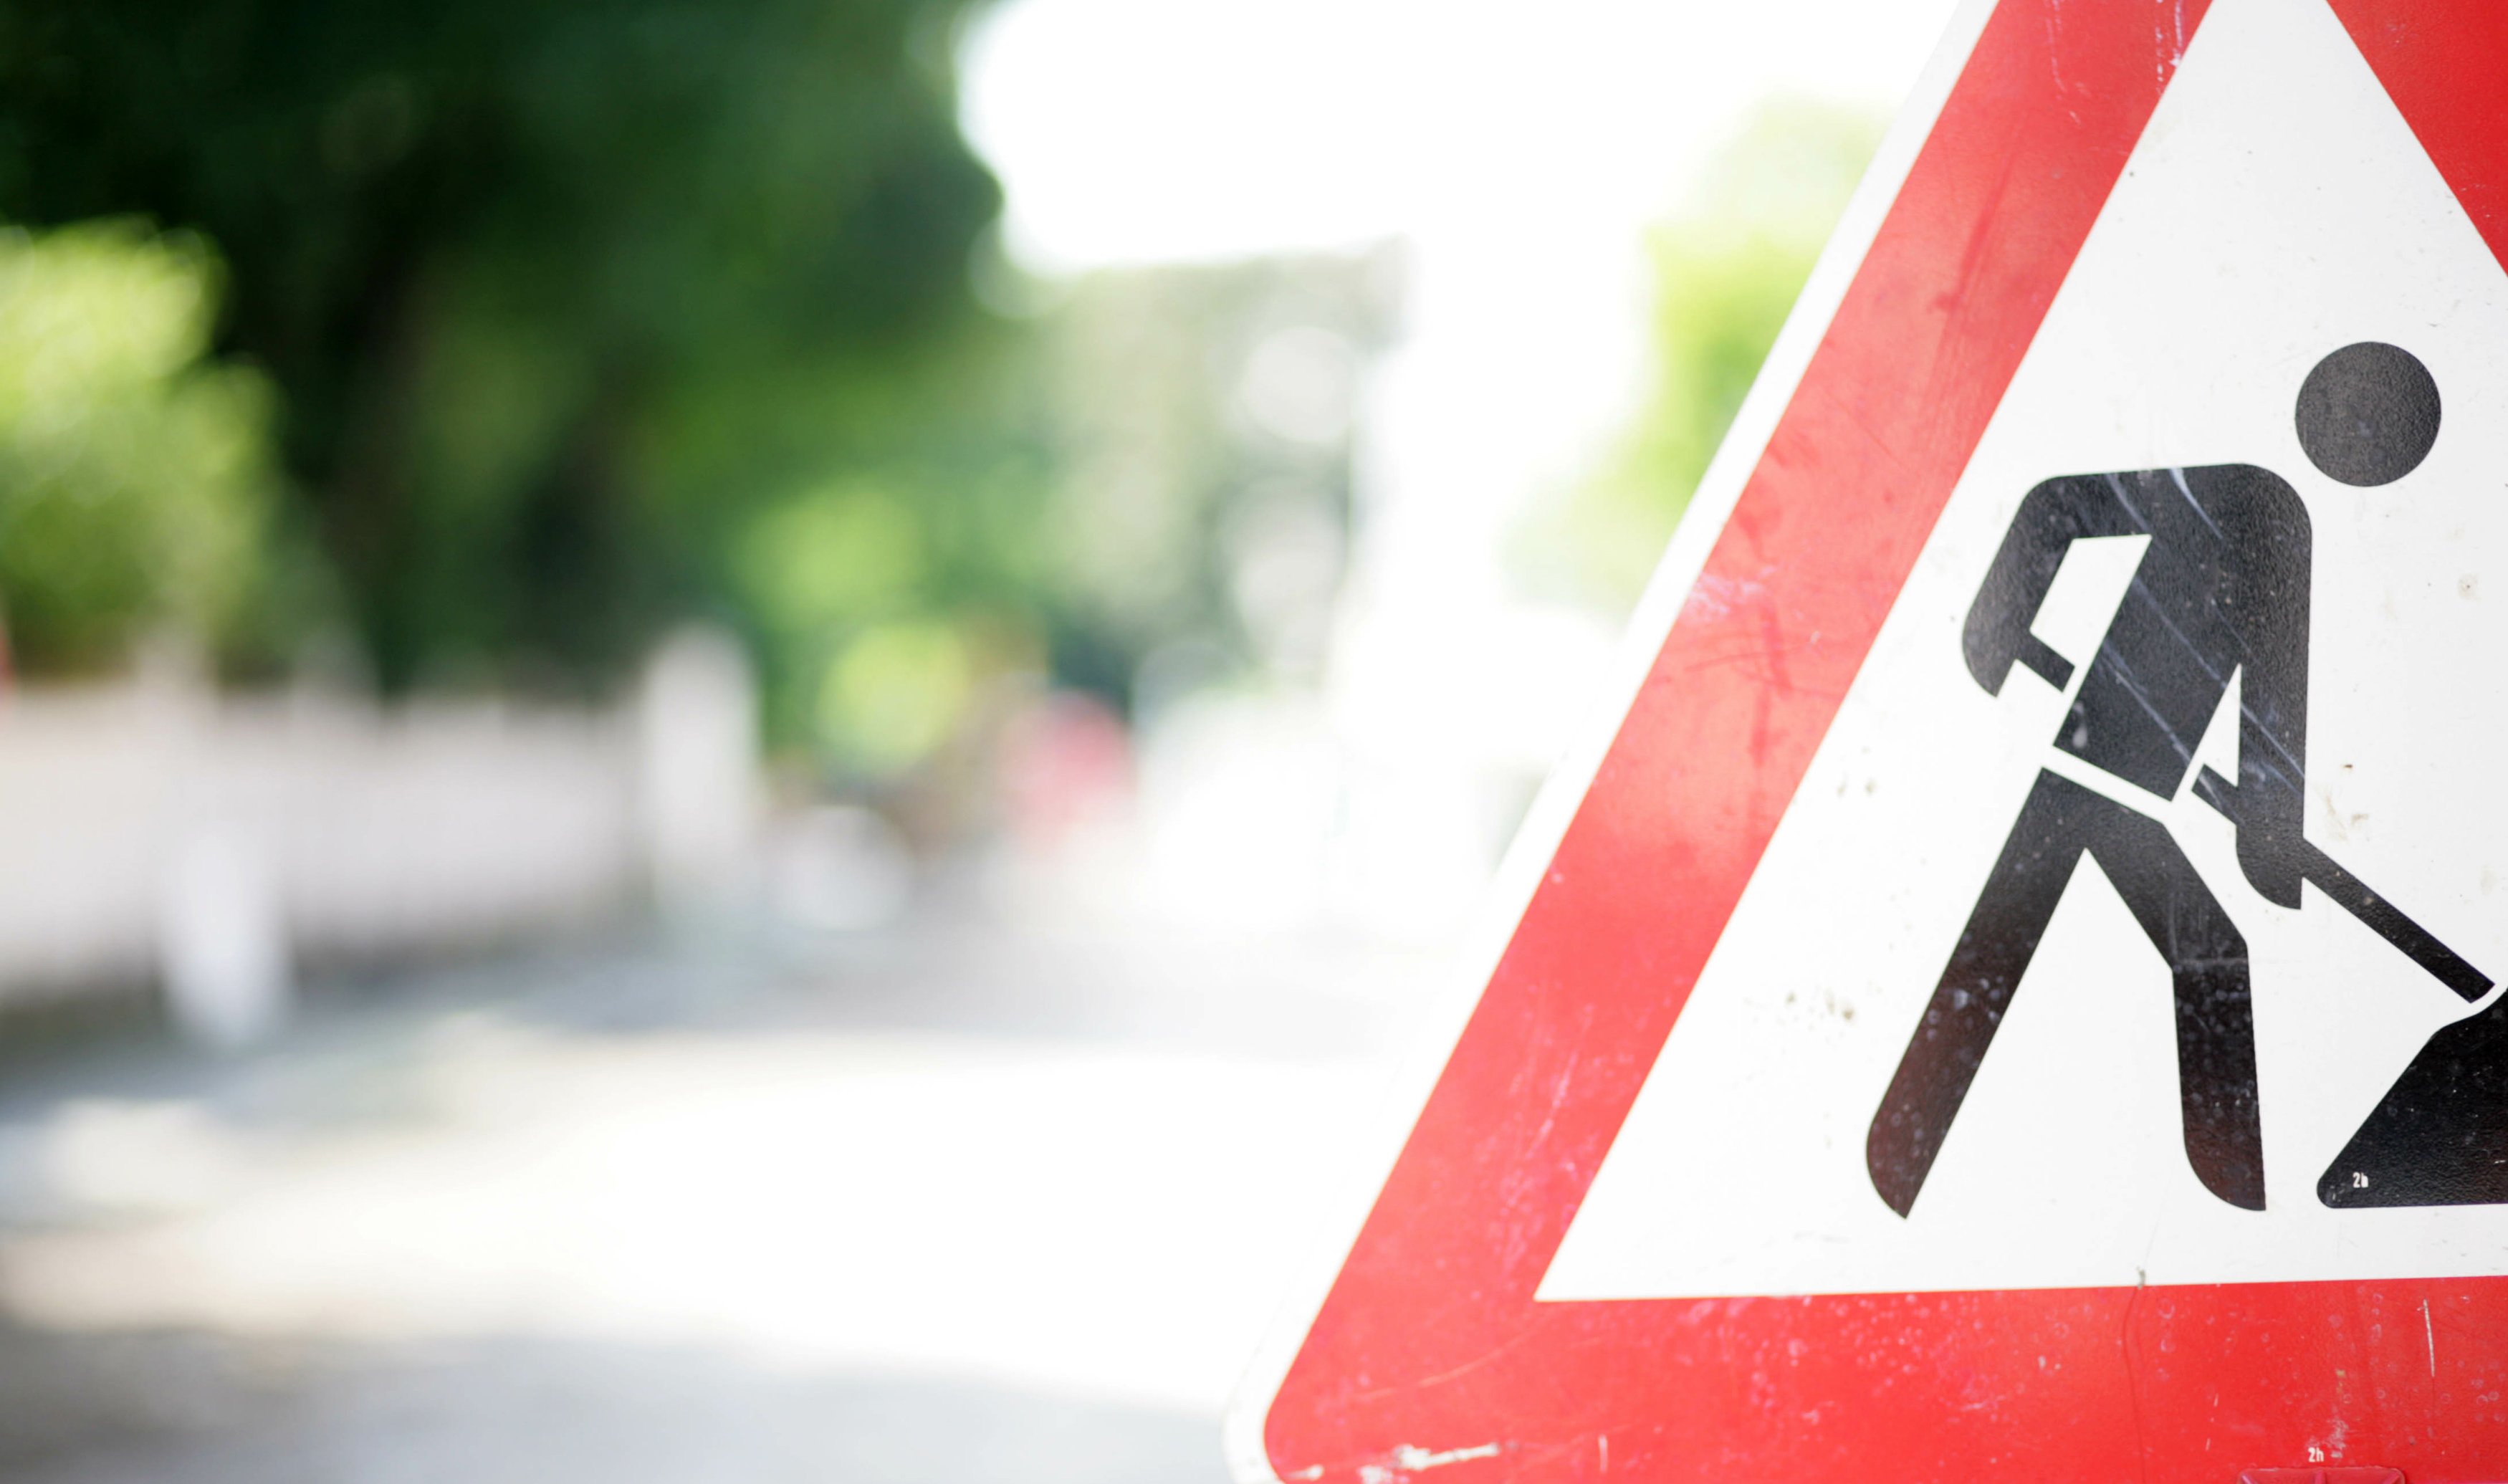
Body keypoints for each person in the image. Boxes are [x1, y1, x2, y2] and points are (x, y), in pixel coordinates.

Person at [1865, 342, 2481, 1217]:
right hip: (2080, 776)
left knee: (2133, 951)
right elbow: (2048, 512)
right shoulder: (2242, 497)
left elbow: (2269, 720)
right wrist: (2024, 656)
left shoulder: (2275, 518)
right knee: (2060, 949)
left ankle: (2227, 1190)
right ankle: (1903, 1154)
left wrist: (2264, 832)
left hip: (2128, 799)